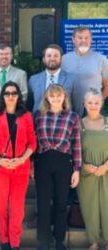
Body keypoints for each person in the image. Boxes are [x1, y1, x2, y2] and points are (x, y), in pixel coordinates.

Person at [0, 81, 36, 250]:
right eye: (7, 93)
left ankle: (15, 242)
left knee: (17, 207)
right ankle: (4, 240)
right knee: (1, 206)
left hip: (21, 167)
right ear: (3, 96)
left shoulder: (26, 116)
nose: (11, 96)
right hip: (0, 167)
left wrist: (22, 159)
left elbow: (32, 143)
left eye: (14, 93)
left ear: (18, 96)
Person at [34, 84, 81, 250]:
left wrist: (77, 169)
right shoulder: (38, 116)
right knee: (44, 203)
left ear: (64, 97)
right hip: (43, 161)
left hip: (64, 162)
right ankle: (43, 240)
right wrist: (32, 165)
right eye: (52, 96)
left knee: (61, 202)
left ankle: (59, 240)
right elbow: (33, 142)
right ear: (47, 97)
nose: (55, 99)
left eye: (58, 96)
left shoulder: (72, 117)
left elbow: (76, 144)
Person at [77, 89, 108, 250]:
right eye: (90, 102)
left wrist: (105, 166)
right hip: (86, 173)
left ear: (102, 104)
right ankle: (94, 241)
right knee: (90, 207)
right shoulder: (78, 124)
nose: (93, 105)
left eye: (97, 102)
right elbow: (74, 150)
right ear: (84, 104)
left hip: (107, 171)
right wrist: (84, 166)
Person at [62, 26, 108, 117]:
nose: (83, 40)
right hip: (69, 107)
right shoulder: (64, 59)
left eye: (86, 38)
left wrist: (99, 101)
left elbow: (107, 86)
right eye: (79, 38)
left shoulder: (101, 59)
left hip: (93, 109)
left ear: (91, 40)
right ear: (73, 40)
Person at [28, 44, 76, 114]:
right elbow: (29, 104)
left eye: (56, 56)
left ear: (61, 59)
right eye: (49, 56)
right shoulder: (33, 80)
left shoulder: (72, 79)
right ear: (44, 59)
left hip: (64, 122)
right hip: (40, 122)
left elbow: (76, 105)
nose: (52, 58)